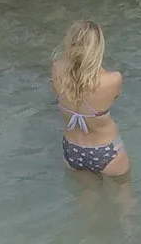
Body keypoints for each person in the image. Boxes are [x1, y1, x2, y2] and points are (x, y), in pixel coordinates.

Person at [51, 19, 130, 178]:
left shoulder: (57, 69)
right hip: (106, 150)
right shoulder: (112, 79)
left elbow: (74, 78)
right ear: (97, 49)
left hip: (73, 149)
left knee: (86, 199)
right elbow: (115, 96)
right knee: (125, 200)